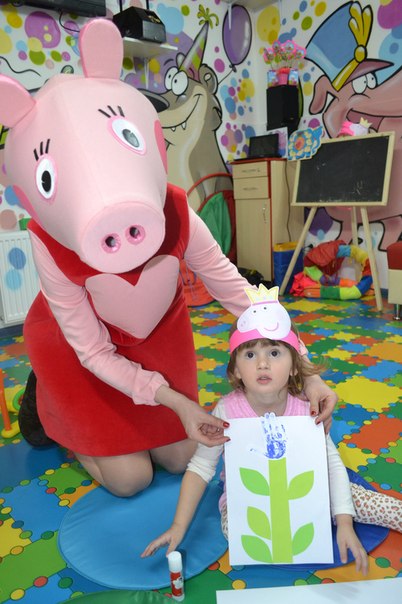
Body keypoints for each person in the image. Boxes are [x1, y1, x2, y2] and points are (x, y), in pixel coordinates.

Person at [0, 20, 336, 501]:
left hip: (158, 335)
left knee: (181, 458)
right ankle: (50, 406)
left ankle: (125, 420)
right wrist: (176, 402)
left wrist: (310, 371)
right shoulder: (48, 241)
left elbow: (239, 293)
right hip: (81, 351)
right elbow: (93, 351)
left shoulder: (176, 210)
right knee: (130, 480)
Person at [142, 287, 401, 570]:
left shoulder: (306, 407)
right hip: (251, 498)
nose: (263, 363)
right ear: (236, 369)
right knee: (237, 534)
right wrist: (178, 526)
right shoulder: (227, 411)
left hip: (311, 487)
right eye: (250, 355)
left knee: (369, 504)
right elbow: (201, 468)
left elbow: (332, 464)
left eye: (274, 352)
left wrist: (345, 522)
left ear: (294, 366)